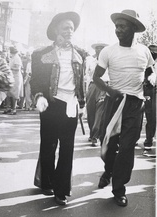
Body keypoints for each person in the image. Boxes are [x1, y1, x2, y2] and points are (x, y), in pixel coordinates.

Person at [93, 10, 155, 207]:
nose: (117, 30)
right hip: (114, 102)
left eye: (122, 26)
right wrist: (111, 91)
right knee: (109, 144)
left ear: (133, 29)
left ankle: (119, 189)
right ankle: (109, 170)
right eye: (116, 26)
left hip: (135, 104)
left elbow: (149, 74)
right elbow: (96, 78)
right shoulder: (108, 51)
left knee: (127, 147)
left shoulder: (144, 51)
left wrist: (149, 84)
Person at [30, 11, 87, 206]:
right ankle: (46, 181)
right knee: (48, 146)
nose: (70, 31)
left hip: (70, 105)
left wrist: (82, 104)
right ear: (56, 30)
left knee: (67, 148)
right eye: (65, 28)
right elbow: (35, 82)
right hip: (50, 104)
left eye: (72, 28)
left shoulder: (81, 54)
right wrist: (38, 98)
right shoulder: (40, 54)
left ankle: (61, 189)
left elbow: (81, 83)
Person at [85, 42, 108, 146]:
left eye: (101, 48)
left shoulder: (109, 61)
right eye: (97, 48)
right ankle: (92, 133)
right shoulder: (90, 61)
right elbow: (86, 76)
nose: (99, 50)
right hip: (92, 86)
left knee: (100, 112)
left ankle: (95, 136)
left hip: (103, 86)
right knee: (91, 111)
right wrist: (86, 90)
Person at [142, 44, 157, 156]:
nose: (153, 54)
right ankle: (148, 142)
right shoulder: (146, 64)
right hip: (150, 92)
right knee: (150, 117)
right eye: (151, 52)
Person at [3, 46, 23, 115]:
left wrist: (10, 69)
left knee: (14, 93)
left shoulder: (17, 58)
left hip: (16, 77)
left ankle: (14, 109)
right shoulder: (12, 58)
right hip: (11, 76)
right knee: (9, 92)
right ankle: (8, 107)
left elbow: (17, 68)